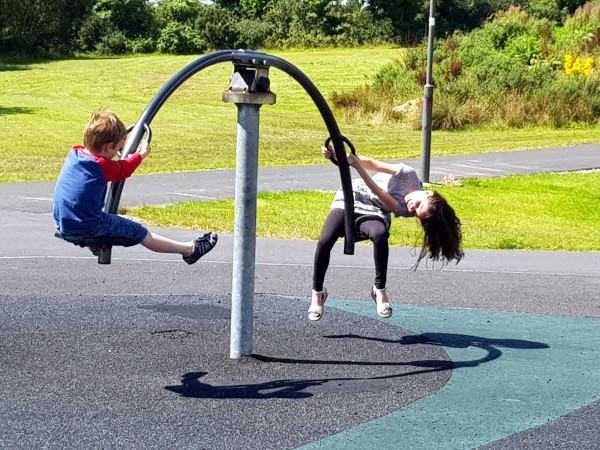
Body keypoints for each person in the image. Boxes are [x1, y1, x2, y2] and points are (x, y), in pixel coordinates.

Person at [308, 146, 463, 321]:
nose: (412, 207)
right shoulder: (408, 174)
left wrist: (358, 167)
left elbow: (380, 195)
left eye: (416, 212)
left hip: (375, 209)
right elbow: (371, 164)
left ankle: (379, 290)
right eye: (418, 204)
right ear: (428, 193)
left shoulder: (407, 210)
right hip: (352, 195)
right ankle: (318, 293)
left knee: (380, 233)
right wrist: (339, 156)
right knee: (325, 240)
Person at [53, 110, 218, 264]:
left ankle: (95, 243)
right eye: (118, 148)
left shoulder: (75, 154)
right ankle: (190, 250)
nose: (119, 151)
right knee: (141, 233)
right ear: (109, 147)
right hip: (88, 226)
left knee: (102, 218)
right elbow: (125, 169)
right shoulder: (100, 166)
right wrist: (141, 154)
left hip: (64, 224)